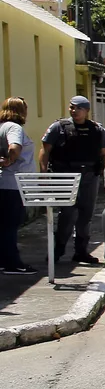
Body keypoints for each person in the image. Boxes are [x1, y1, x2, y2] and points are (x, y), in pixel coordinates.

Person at [40, 95, 105, 266]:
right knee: (67, 214)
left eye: (78, 108)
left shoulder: (97, 129)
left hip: (89, 177)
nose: (74, 111)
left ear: (86, 111)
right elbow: (45, 151)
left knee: (86, 215)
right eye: (72, 107)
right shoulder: (59, 127)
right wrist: (43, 174)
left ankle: (81, 251)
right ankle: (58, 250)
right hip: (65, 175)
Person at [0, 97, 33, 274]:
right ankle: (12, 263)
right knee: (11, 225)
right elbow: (14, 147)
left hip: (4, 183)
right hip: (13, 183)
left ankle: (4, 260)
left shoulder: (1, 127)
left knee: (4, 225)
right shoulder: (14, 127)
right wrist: (8, 161)